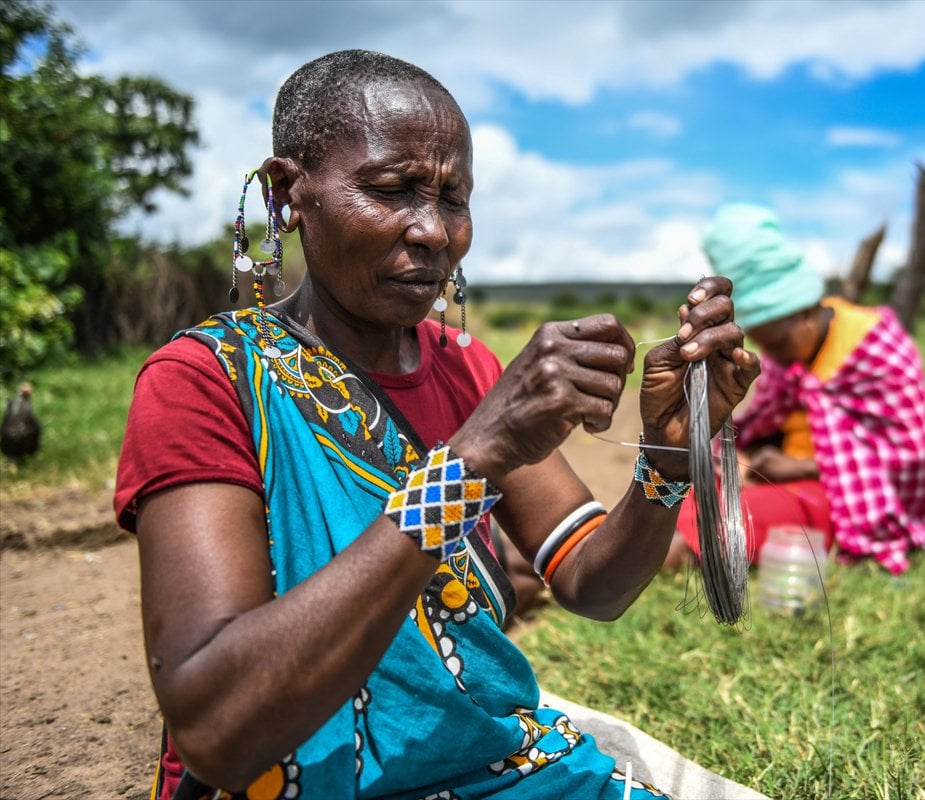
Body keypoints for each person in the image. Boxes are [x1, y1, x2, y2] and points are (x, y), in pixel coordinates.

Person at [113, 51, 764, 800]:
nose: (433, 231)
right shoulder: (204, 381)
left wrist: (666, 461)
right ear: (288, 194)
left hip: (484, 767)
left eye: (453, 198)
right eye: (392, 190)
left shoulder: (464, 368)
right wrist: (470, 461)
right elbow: (215, 730)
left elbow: (592, 584)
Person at [669, 203, 925, 576]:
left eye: (778, 343)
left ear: (807, 312)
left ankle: (640, 562)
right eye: (765, 346)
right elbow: (766, 422)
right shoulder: (788, 359)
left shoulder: (878, 348)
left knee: (708, 528)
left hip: (840, 497)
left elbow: (908, 457)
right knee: (682, 494)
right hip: (773, 477)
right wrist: (745, 458)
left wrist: (798, 467)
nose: (774, 357)